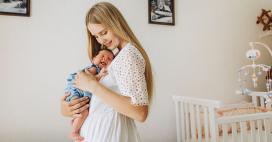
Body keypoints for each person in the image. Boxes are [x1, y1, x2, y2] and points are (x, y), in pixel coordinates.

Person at [60, 2, 153, 142]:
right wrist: (67, 109)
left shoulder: (128, 55)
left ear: (116, 23)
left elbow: (140, 112)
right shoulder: (116, 57)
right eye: (96, 36)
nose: (101, 40)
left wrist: (93, 85)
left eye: (103, 32)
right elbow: (104, 101)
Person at [64, 49, 114, 141]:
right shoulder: (94, 68)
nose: (105, 59)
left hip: (79, 91)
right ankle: (73, 132)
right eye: (102, 56)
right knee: (83, 111)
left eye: (109, 59)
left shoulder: (100, 71)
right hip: (76, 90)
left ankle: (76, 121)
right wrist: (99, 76)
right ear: (94, 58)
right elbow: (87, 78)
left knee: (82, 112)